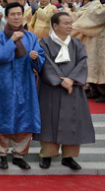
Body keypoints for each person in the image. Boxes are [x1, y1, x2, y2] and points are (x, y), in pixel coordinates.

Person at [36, 12, 95, 170]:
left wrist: (71, 79)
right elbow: (46, 63)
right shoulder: (44, 43)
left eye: (71, 23)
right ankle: (47, 155)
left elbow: (82, 62)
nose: (70, 26)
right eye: (66, 23)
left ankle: (69, 156)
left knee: (73, 121)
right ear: (55, 26)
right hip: (51, 88)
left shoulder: (77, 43)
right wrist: (59, 80)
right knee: (49, 121)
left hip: (73, 88)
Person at [0, 2, 45, 170]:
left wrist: (36, 58)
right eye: (12, 14)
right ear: (6, 17)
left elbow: (40, 63)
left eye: (19, 14)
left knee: (25, 116)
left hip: (25, 82)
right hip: (4, 83)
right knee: (1, 115)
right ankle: (1, 153)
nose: (16, 17)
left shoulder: (31, 37)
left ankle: (19, 154)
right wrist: (12, 41)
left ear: (23, 15)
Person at [72, 0, 105, 102]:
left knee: (101, 67)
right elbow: (84, 13)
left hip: (102, 42)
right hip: (92, 40)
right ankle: (94, 89)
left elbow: (96, 14)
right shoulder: (96, 4)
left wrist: (95, 2)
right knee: (91, 65)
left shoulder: (98, 6)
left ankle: (102, 92)